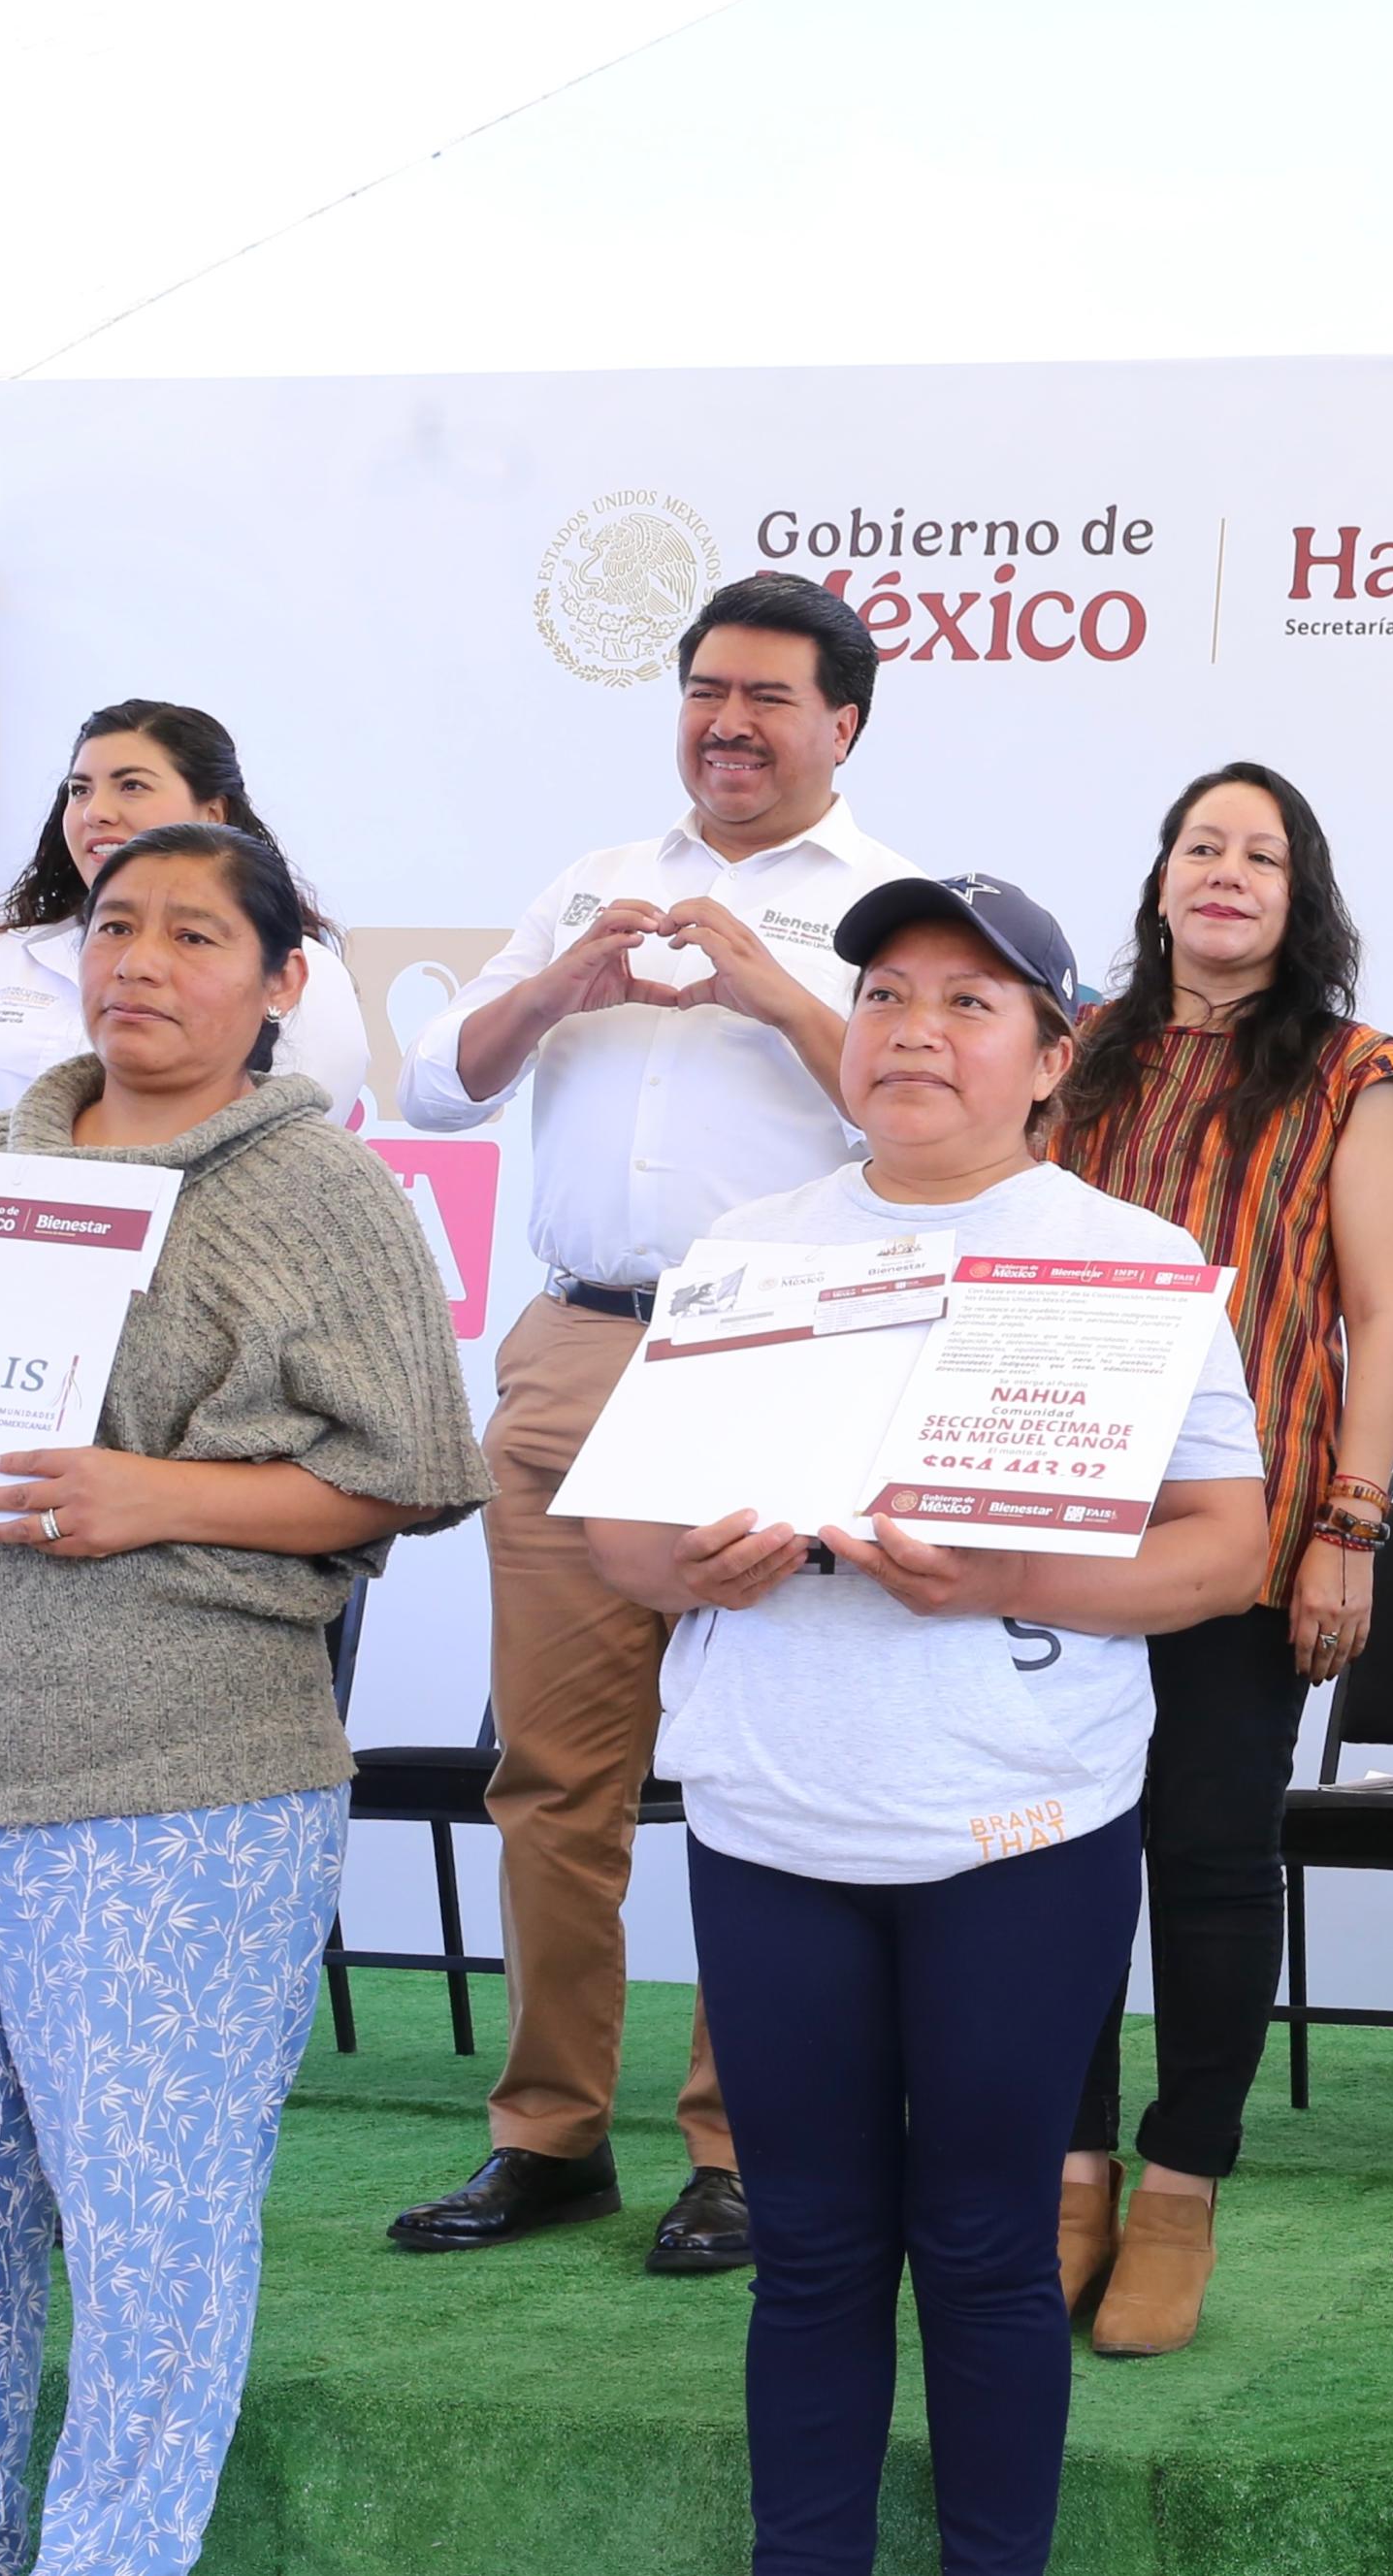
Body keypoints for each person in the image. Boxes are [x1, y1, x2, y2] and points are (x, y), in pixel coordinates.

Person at [0, 821, 489, 2574]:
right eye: (114, 925)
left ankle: (115, 2553)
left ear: (283, 980)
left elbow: (412, 1466)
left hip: (167, 1782)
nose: (140, 961)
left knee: (151, 2235)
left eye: (193, 934)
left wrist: (161, 1493)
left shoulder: (323, 1190)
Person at [583, 870, 1268, 2576]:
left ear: (1054, 1053)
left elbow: (1225, 1551)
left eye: (971, 1001)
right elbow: (623, 1533)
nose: (915, 1030)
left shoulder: (1126, 1261)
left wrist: (1006, 1576)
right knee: (812, 2250)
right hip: (772, 1816)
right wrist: (689, 1561)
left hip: (1017, 1828)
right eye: (886, 993)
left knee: (982, 2245)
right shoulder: (749, 1253)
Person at [390, 571, 923, 2269]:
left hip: (782, 1354)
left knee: (760, 1771)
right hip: (575, 1345)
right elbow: (435, 1084)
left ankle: (743, 2145)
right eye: (707, 690)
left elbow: (929, 1117)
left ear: (843, 724)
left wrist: (776, 988)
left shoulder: (893, 911)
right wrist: (561, 981)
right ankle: (547, 2134)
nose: (729, 723)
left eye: (770, 697)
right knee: (554, 1773)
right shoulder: (591, 878)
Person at [1044, 764, 1393, 2356]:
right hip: (1058, 1516)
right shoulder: (1073, 1052)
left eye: (1261, 854)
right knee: (1053, 1858)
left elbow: (1380, 1317)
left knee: (1205, 1860)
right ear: (1159, 879)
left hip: (1247, 1533)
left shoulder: (1356, 1073)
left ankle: (1182, 2184)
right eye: (1201, 844)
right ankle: (1068, 2171)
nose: (1225, 870)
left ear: (1299, 896)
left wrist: (1348, 1528)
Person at [0, 700, 369, 1178]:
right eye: (79, 790)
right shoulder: (0, 957)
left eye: (131, 786)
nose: (95, 812)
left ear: (213, 812)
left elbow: (288, 1151)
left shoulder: (295, 971)